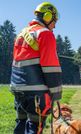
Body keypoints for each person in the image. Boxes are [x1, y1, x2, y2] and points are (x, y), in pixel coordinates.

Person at [10, 2, 62, 134]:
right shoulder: (45, 34)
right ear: (48, 16)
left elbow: (16, 62)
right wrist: (56, 93)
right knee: (34, 126)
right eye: (54, 21)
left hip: (18, 90)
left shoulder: (21, 35)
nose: (54, 26)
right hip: (35, 93)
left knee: (21, 124)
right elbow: (51, 68)